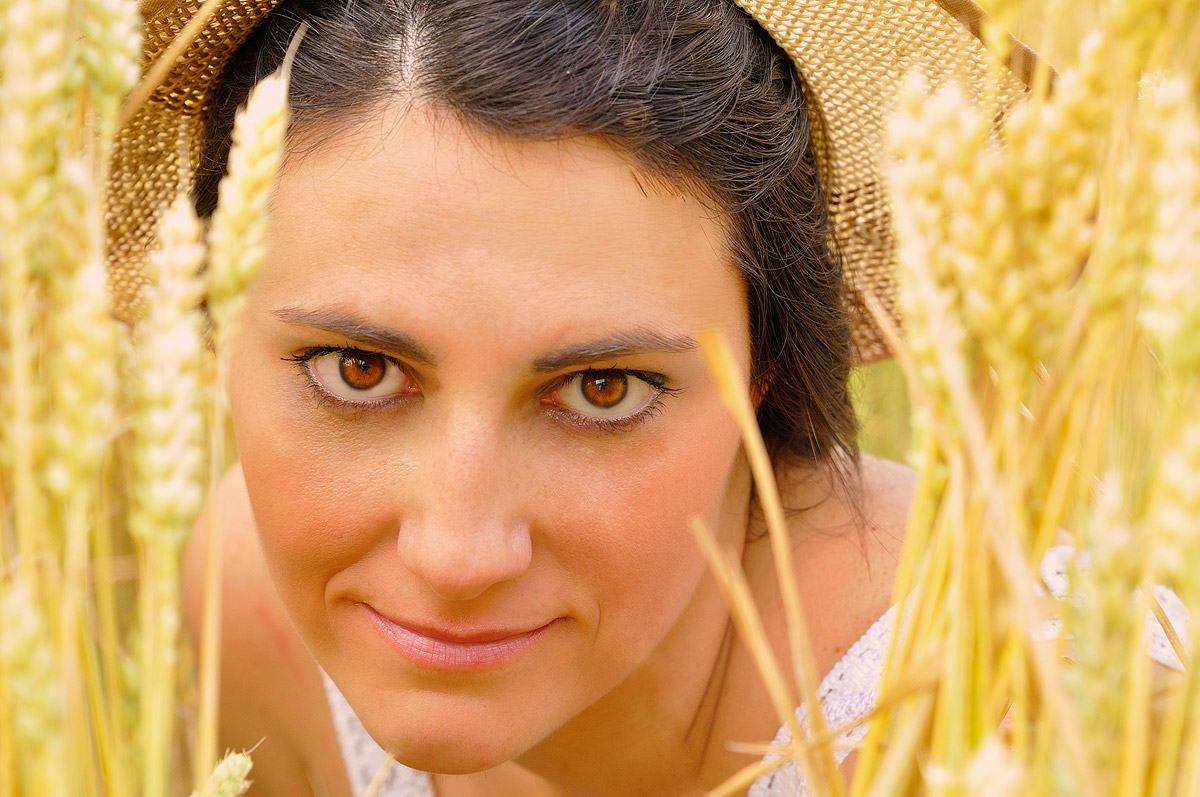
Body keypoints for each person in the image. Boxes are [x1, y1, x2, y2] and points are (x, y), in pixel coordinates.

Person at [105, 0, 1033, 794]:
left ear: (767, 365)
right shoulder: (252, 614)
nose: (458, 555)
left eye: (601, 388)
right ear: (218, 324)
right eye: (359, 370)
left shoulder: (1005, 725)